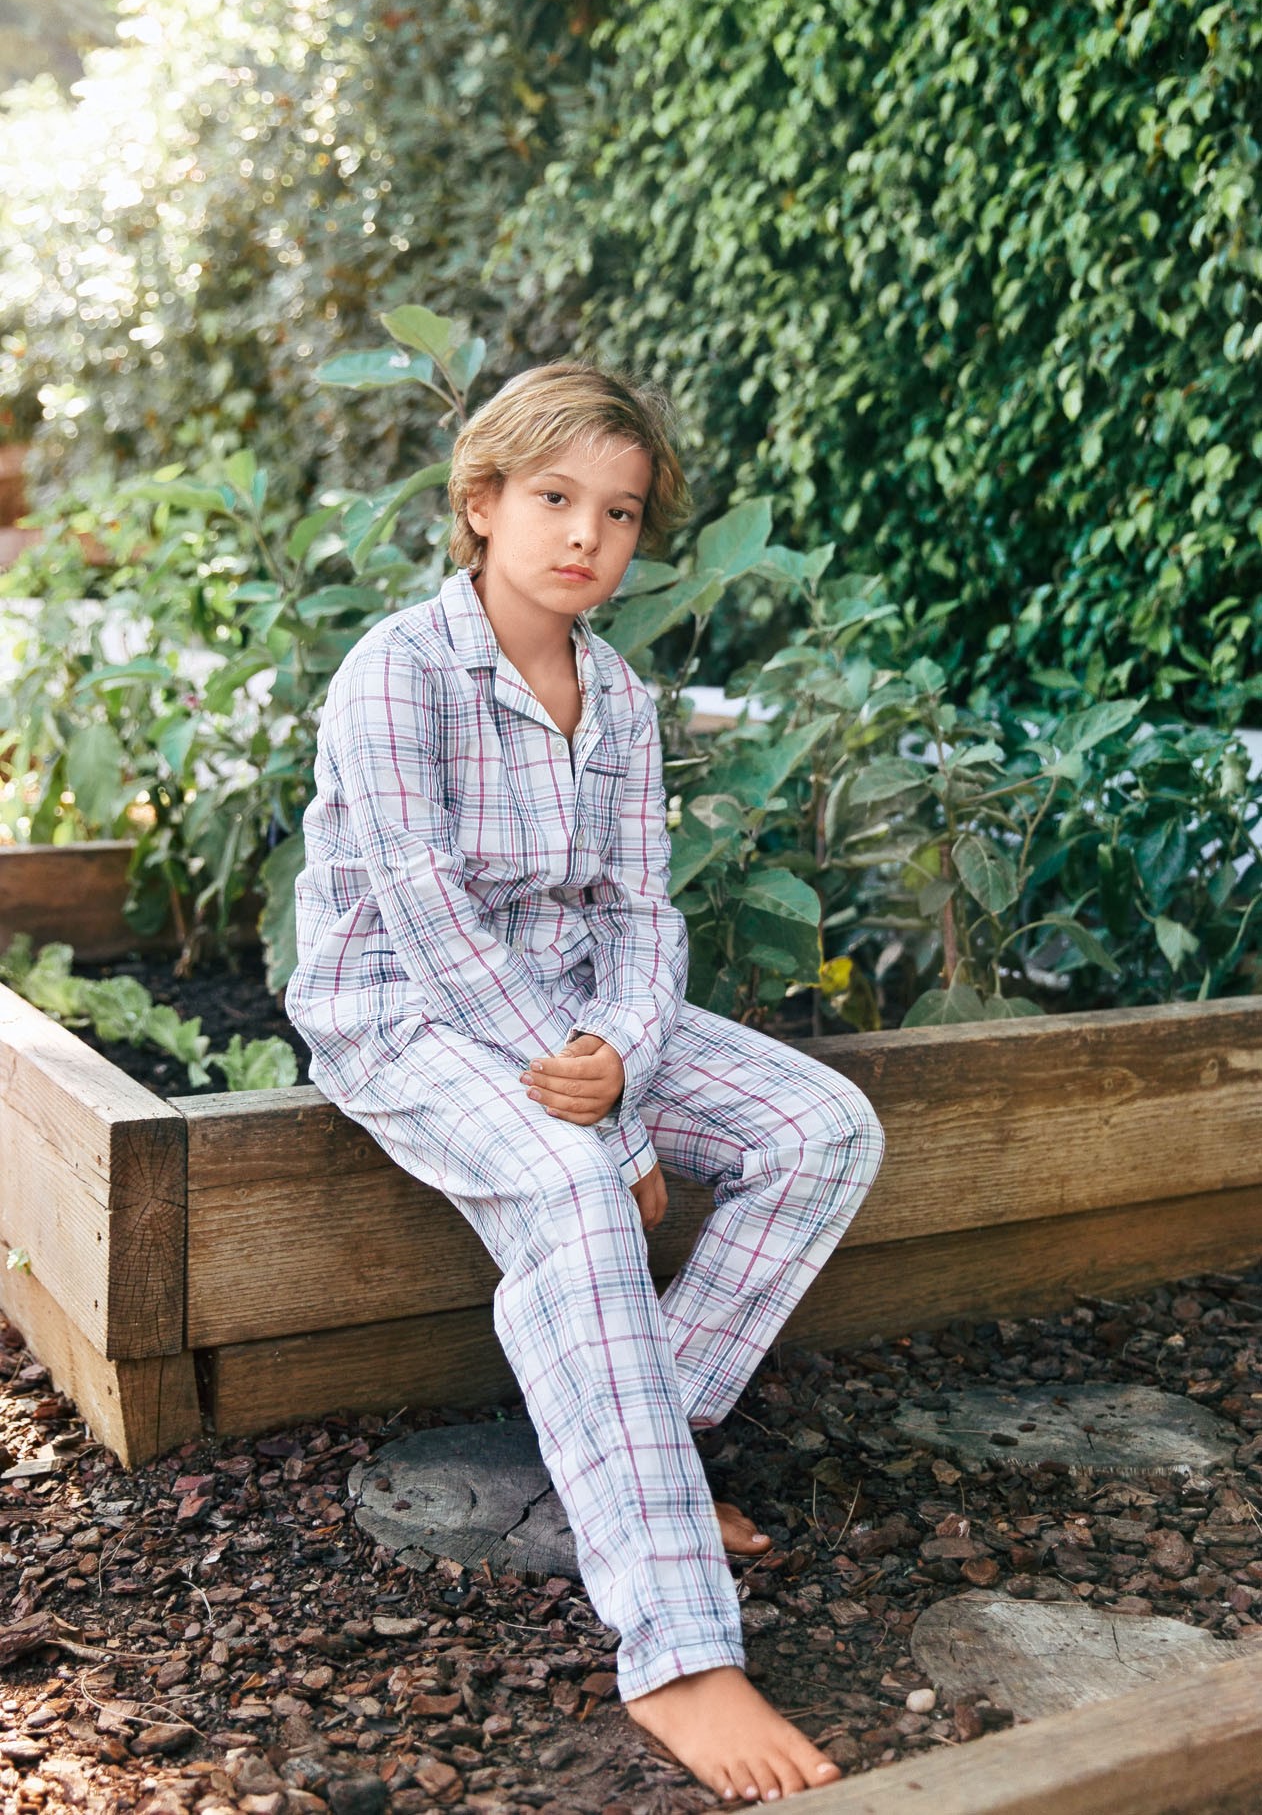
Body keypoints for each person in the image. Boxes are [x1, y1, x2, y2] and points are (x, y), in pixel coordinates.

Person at [286, 362, 886, 1804]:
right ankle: (677, 1651)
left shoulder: (615, 694)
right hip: (408, 1014)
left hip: (576, 1022)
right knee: (572, 1184)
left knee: (821, 1127)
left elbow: (639, 912)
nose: (585, 536)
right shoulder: (397, 670)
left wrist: (624, 1050)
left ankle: (638, 1468)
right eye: (554, 498)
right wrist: (610, 1122)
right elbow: (426, 914)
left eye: (618, 513)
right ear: (481, 503)